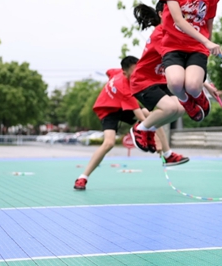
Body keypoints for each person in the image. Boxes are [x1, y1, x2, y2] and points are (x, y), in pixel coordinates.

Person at [73, 57, 187, 191]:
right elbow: (141, 118)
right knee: (109, 143)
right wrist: (157, 141)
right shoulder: (125, 88)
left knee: (151, 115)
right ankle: (83, 177)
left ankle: (168, 155)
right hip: (108, 109)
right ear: (125, 73)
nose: (136, 76)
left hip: (122, 106)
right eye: (133, 74)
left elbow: (109, 71)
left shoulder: (117, 72)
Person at [128, 2, 220, 155]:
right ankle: (140, 129)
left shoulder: (173, 34)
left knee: (179, 109)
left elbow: (185, 66)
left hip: (158, 81)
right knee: (170, 108)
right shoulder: (161, 35)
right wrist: (205, 85)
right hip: (143, 82)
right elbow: (178, 64)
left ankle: (150, 128)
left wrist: (204, 85)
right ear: (161, 14)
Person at [159, 0, 221, 124]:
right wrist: (208, 42)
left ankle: (199, 96)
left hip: (197, 48)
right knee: (176, 84)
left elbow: (209, 24)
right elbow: (178, 20)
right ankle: (186, 102)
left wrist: (209, 45)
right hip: (172, 45)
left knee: (193, 86)